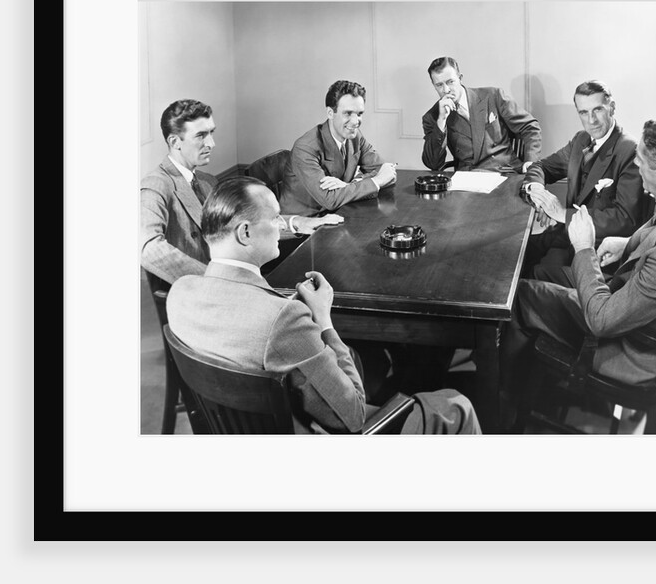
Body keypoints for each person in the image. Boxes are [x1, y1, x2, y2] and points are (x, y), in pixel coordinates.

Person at [166, 177, 481, 435]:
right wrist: (322, 319)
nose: (281, 226)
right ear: (245, 233)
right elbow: (354, 416)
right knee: (456, 406)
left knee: (366, 360)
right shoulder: (284, 319)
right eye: (275, 218)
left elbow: (244, 322)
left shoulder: (179, 293)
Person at [500, 117, 656, 414]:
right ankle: (539, 384)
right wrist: (627, 243)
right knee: (543, 271)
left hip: (626, 348)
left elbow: (602, 320)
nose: (636, 165)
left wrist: (584, 248)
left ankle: (502, 407)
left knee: (519, 297)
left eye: (640, 162)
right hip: (631, 299)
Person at [140, 99, 341, 285]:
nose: (211, 143)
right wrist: (215, 280)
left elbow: (245, 224)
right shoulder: (156, 185)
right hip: (201, 294)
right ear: (175, 142)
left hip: (236, 281)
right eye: (201, 135)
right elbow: (148, 248)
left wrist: (298, 223)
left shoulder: (207, 182)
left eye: (211, 133)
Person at [520, 80, 647, 283]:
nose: (591, 120)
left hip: (599, 252)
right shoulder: (581, 140)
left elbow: (624, 220)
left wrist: (562, 214)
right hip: (565, 235)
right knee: (516, 254)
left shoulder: (629, 151)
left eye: (598, 110)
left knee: (531, 278)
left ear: (612, 107)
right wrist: (536, 190)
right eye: (583, 113)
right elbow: (541, 167)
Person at [277, 80, 397, 217]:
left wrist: (348, 185)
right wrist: (377, 180)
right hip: (306, 224)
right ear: (329, 113)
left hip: (339, 212)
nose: (355, 121)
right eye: (348, 113)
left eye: (359, 114)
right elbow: (330, 199)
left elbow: (388, 171)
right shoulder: (305, 148)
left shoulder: (355, 136)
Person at [421, 56, 542, 173]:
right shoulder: (433, 116)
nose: (446, 90)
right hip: (468, 179)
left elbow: (530, 127)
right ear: (434, 86)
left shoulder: (493, 95)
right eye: (439, 85)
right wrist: (441, 121)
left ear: (460, 78)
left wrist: (531, 160)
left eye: (450, 82)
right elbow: (433, 164)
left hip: (505, 172)